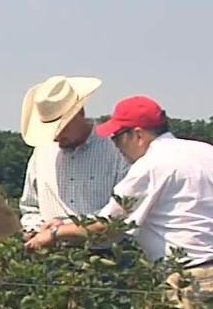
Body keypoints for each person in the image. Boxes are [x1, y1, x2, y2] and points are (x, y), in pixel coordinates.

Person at [27, 94, 213, 309]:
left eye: (117, 138)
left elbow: (107, 227)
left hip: (194, 280)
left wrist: (54, 233)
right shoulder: (208, 152)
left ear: (137, 135)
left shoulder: (150, 166)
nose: (115, 146)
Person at [17, 75, 130, 251]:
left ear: (80, 113)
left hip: (105, 257)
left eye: (61, 128)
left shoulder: (116, 150)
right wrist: (37, 229)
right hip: (50, 255)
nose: (55, 137)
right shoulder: (42, 152)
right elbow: (30, 207)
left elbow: (121, 215)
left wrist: (60, 231)